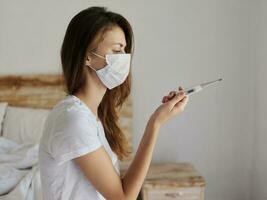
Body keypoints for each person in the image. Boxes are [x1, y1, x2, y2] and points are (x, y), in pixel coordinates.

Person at [38, 6, 189, 200]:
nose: (124, 58)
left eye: (125, 50)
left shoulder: (93, 115)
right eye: (117, 50)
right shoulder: (73, 119)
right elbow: (123, 197)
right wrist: (155, 123)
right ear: (87, 56)